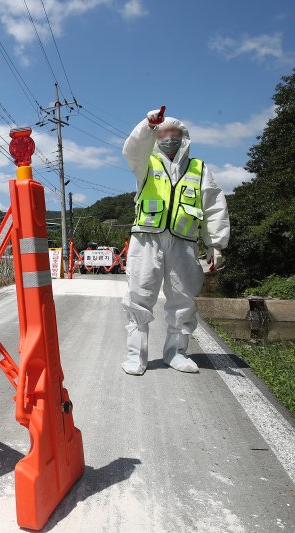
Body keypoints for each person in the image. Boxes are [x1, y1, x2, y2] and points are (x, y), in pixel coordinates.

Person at [121, 108, 230, 376]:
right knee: (139, 296)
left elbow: (215, 206)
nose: (170, 137)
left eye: (175, 133)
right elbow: (132, 150)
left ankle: (176, 353)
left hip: (184, 241)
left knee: (183, 299)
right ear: (156, 137)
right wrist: (147, 125)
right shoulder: (146, 163)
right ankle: (136, 356)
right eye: (164, 133)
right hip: (147, 239)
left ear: (185, 138)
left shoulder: (199, 169)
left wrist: (215, 244)